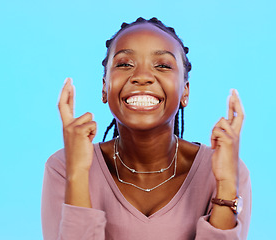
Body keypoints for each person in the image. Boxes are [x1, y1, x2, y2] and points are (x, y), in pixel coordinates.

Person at [41, 17, 251, 240]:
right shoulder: (63, 167)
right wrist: (78, 175)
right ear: (104, 88)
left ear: (185, 92)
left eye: (162, 65)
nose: (142, 77)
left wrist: (227, 184)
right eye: (124, 64)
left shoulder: (225, 170)